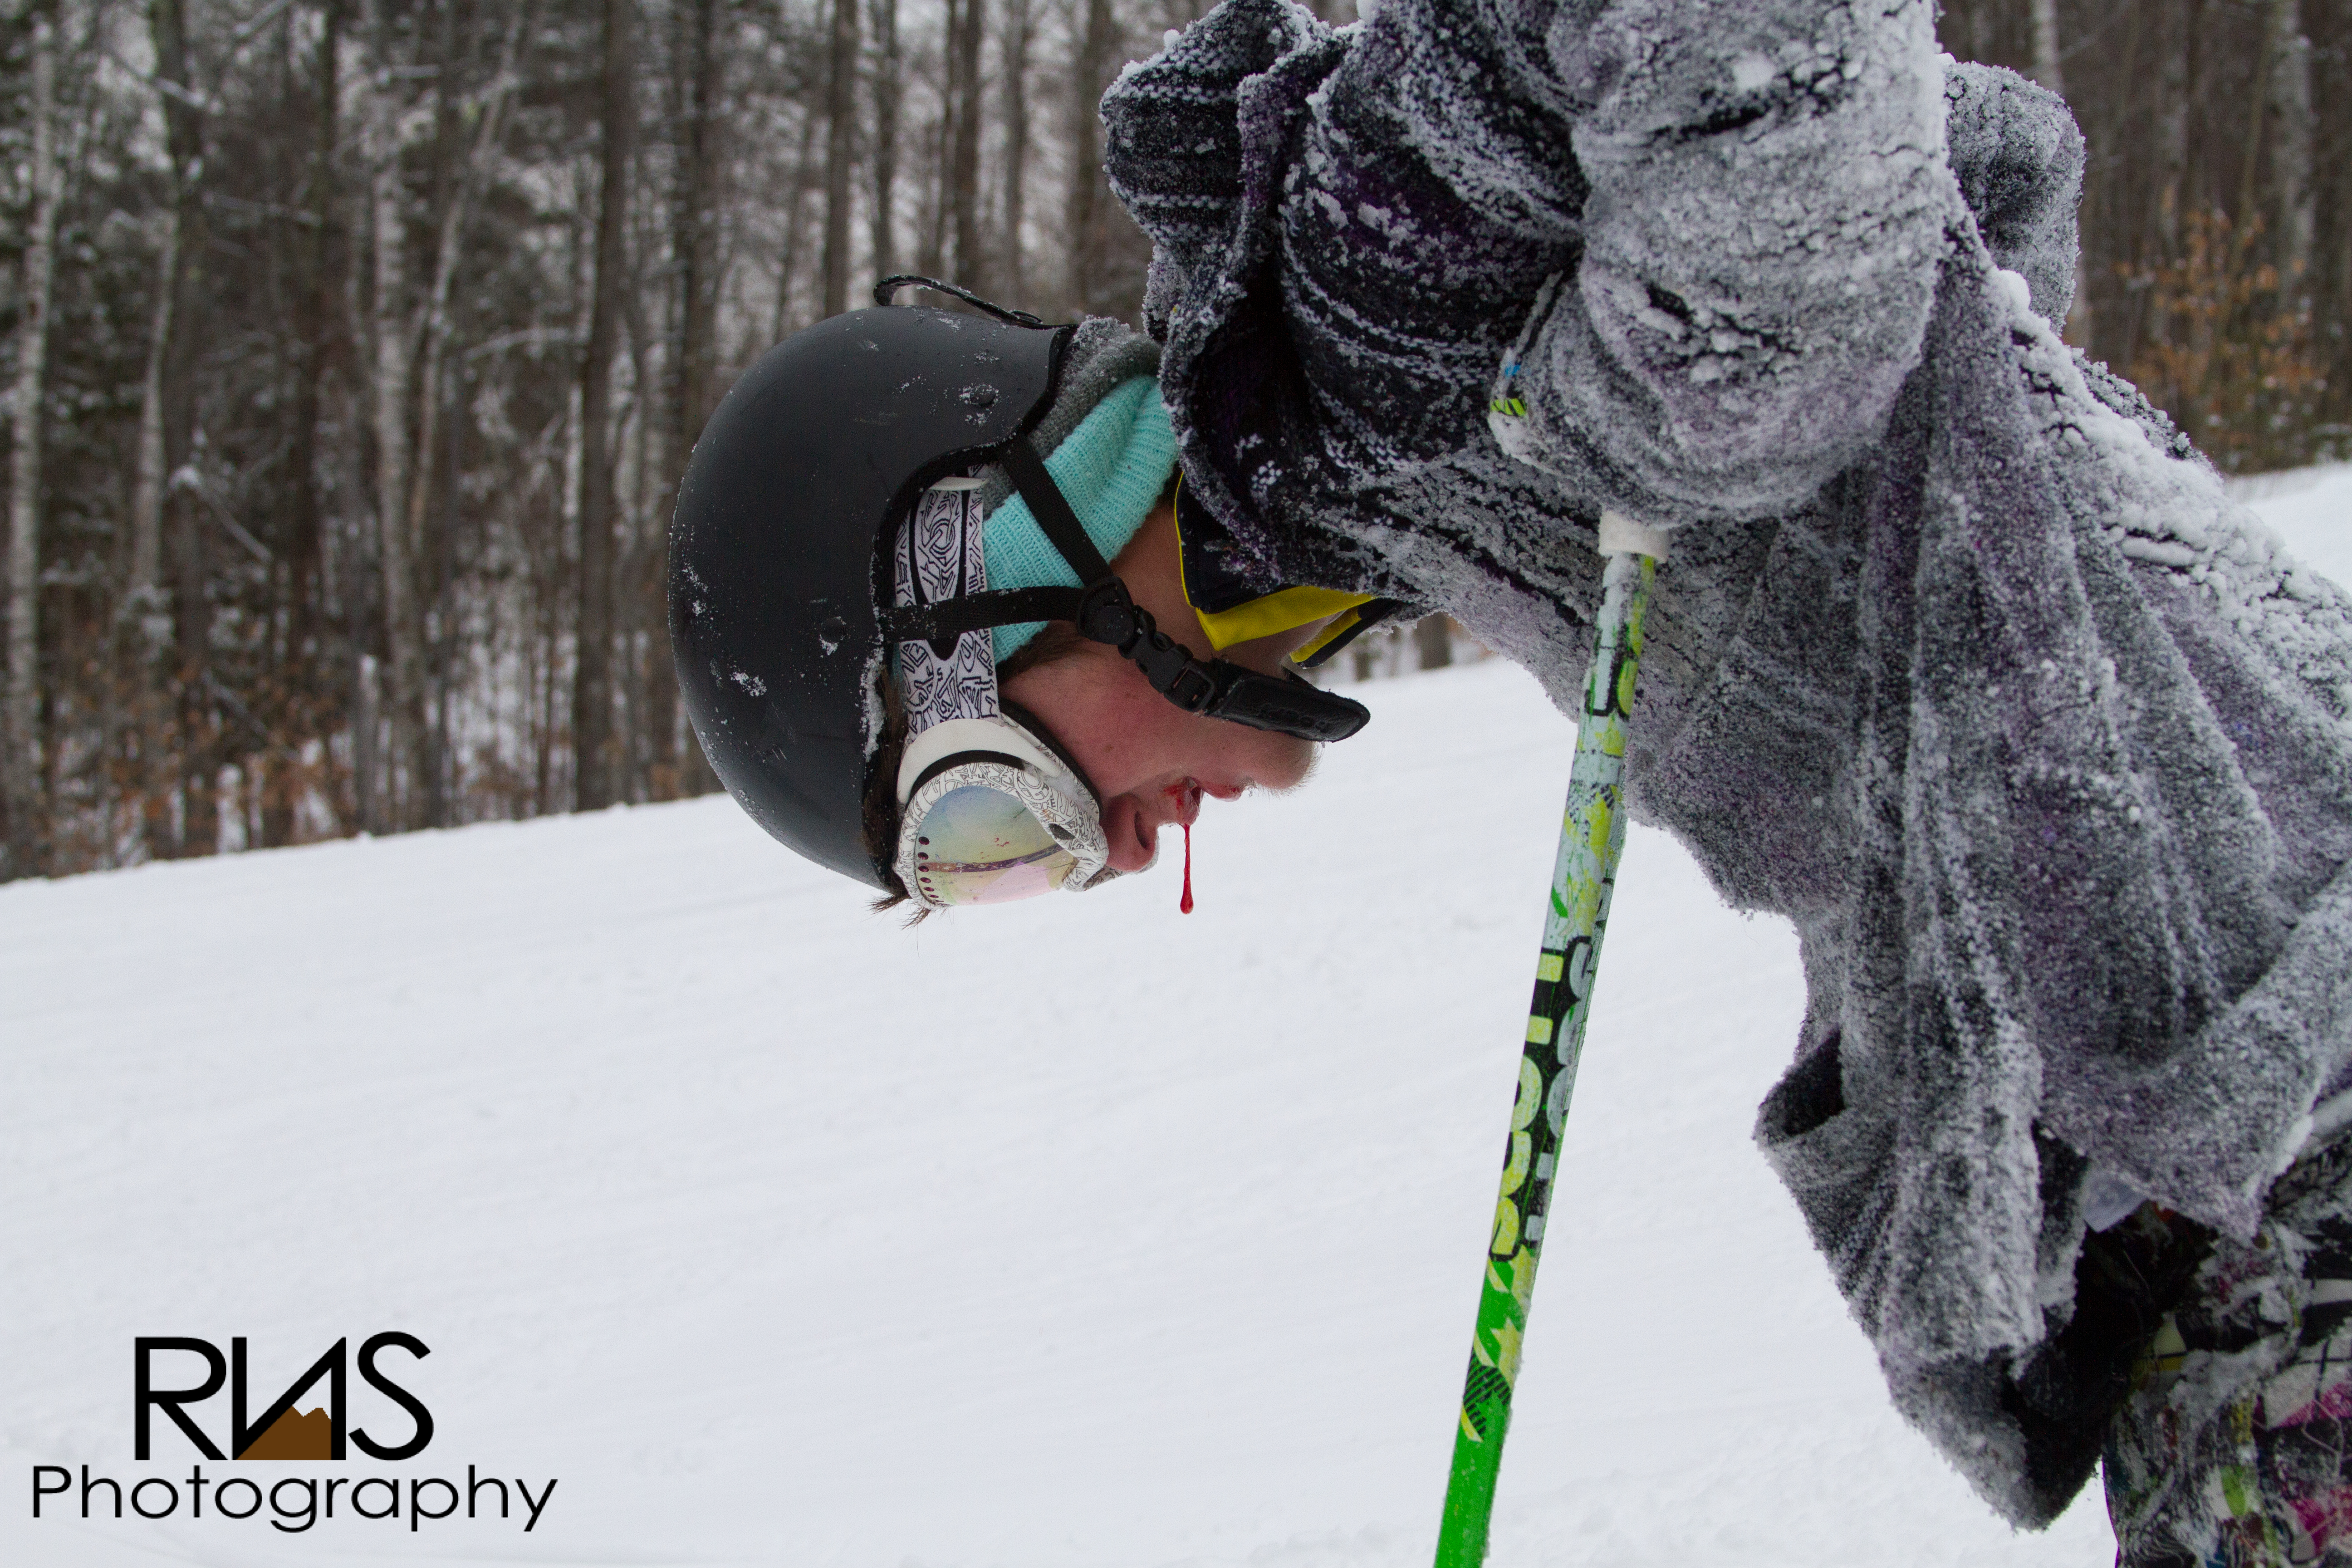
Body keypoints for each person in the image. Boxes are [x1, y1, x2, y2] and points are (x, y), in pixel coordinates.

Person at [672, 0, 2352, 1559]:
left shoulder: (1363, 298)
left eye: (985, 815)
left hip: (2298, 1088)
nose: (1100, 854)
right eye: (1000, 875)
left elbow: (1797, 50)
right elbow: (1977, 199)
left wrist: (1695, 399)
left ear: (991, 563)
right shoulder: (1393, 496)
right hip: (2220, 1165)